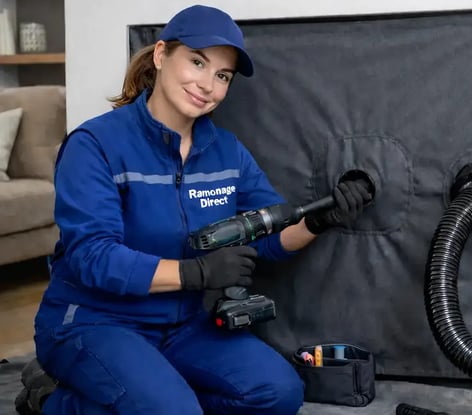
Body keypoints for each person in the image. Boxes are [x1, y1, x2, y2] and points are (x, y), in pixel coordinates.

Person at [29, 5, 372, 415]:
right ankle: (51, 400)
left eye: (222, 76)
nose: (208, 84)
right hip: (96, 320)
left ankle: (157, 395)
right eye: (197, 62)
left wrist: (319, 220)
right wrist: (197, 273)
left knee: (278, 392)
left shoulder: (226, 152)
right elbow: (92, 257)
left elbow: (264, 235)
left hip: (182, 325)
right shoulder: (95, 144)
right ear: (160, 55)